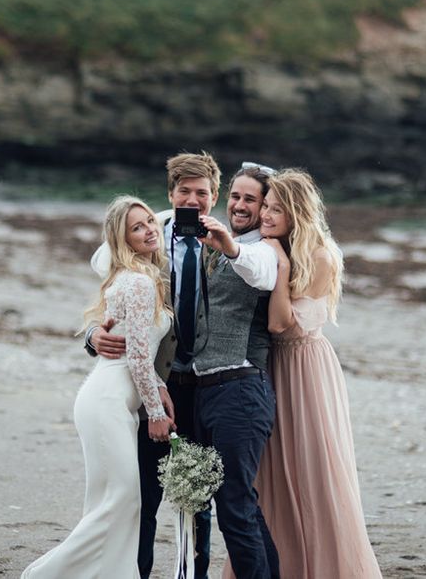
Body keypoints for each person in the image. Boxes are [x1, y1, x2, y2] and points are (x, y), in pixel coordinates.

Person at [21, 196, 175, 579]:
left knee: (114, 502)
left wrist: (157, 386)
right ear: (122, 240)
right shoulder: (138, 282)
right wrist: (155, 412)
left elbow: (133, 345)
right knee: (123, 498)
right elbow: (136, 357)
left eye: (149, 222)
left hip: (110, 397)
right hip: (107, 400)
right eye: (136, 228)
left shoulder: (136, 277)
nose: (148, 230)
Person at [87, 152, 221, 579]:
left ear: (214, 197)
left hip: (204, 386)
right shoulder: (148, 236)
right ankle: (137, 572)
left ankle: (193, 575)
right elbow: (109, 292)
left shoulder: (229, 245)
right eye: (184, 192)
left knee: (196, 493)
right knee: (144, 495)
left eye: (202, 193)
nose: (193, 200)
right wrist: (93, 337)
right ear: (171, 195)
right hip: (155, 385)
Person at [253, 168, 382, 579]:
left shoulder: (320, 257)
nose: (266, 216)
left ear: (295, 212)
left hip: (305, 369)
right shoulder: (268, 247)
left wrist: (282, 267)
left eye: (276, 209)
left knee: (315, 471)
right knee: (271, 476)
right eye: (265, 207)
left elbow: (281, 324)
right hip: (274, 367)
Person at [192, 163, 281, 579]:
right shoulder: (208, 239)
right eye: (235, 196)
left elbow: (257, 272)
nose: (240, 205)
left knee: (235, 507)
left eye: (251, 199)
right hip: (203, 390)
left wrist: (229, 244)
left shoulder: (265, 250)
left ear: (265, 208)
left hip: (241, 390)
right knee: (223, 504)